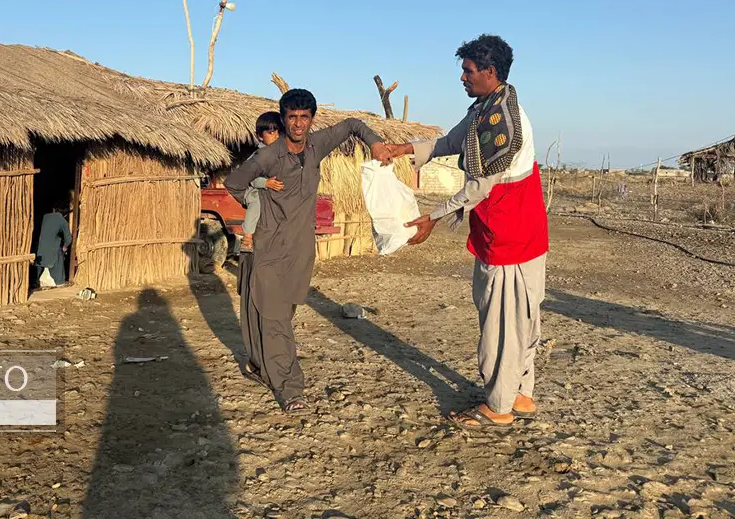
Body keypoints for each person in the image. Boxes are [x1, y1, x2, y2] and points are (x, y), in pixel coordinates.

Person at [397, 34, 549, 428]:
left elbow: (479, 187)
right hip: (516, 228)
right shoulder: (487, 107)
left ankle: (498, 407)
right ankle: (520, 393)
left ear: (490, 72)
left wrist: (431, 216)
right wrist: (402, 150)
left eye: (467, 71)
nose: (462, 78)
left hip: (510, 233)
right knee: (521, 314)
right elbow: (450, 141)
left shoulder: (503, 123)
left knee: (504, 321)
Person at [225, 89, 408, 413]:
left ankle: (259, 362)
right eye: (292, 117)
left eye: (304, 117)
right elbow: (235, 183)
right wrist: (262, 195)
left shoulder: (317, 145)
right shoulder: (267, 157)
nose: (298, 124)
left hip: (301, 251)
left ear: (311, 119)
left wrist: (375, 142)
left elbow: (352, 124)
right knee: (276, 317)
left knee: (281, 314)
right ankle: (290, 388)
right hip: (269, 248)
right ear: (283, 120)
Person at [240, 111, 285, 252]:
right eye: (271, 133)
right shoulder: (257, 155)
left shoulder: (283, 154)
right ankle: (247, 236)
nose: (276, 136)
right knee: (256, 203)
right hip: (254, 190)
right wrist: (265, 183)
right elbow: (249, 176)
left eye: (279, 132)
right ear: (260, 136)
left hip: (272, 192)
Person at [35, 202, 73, 288]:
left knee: (41, 264)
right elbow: (68, 238)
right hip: (53, 253)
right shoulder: (61, 220)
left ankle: (38, 281)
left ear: (53, 210)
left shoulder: (45, 217)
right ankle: (60, 281)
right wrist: (65, 246)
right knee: (59, 256)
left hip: (41, 251)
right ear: (66, 214)